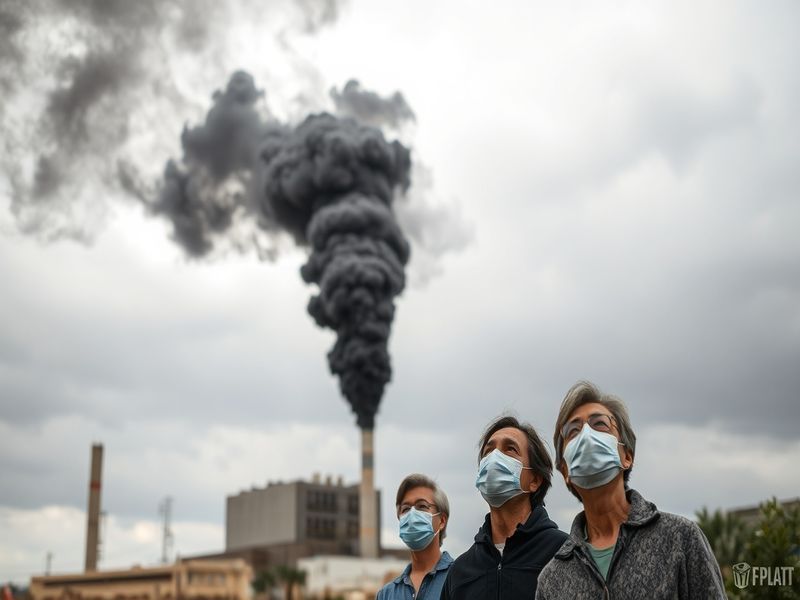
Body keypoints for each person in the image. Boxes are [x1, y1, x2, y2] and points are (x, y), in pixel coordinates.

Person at [536, 381, 726, 599]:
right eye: (573, 431)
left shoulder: (680, 539)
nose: (586, 435)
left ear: (627, 455)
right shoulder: (552, 579)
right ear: (565, 470)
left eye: (600, 424)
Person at [441, 415, 568, 599]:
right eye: (488, 451)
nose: (494, 457)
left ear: (534, 480)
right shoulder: (460, 572)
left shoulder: (563, 554)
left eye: (510, 449)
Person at [376, 473, 453, 599]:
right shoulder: (387, 594)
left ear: (442, 521)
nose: (412, 515)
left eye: (422, 506)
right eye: (405, 509)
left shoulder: (461, 579)